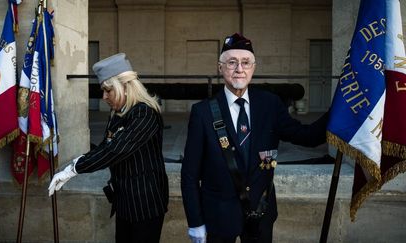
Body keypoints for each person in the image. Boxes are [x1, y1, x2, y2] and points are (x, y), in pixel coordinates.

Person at [180, 33, 329, 243]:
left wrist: (339, 111)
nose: (239, 69)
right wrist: (195, 222)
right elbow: (189, 175)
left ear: (254, 67)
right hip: (219, 217)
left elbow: (309, 137)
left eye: (245, 62)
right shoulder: (202, 112)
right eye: (232, 62)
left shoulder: (270, 104)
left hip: (261, 214)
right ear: (220, 67)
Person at [48, 53, 169, 243]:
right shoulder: (119, 112)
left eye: (108, 90)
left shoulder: (144, 113)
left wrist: (74, 169)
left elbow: (115, 150)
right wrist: (79, 158)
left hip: (145, 204)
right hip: (125, 202)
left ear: (126, 87)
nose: (104, 97)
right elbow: (106, 146)